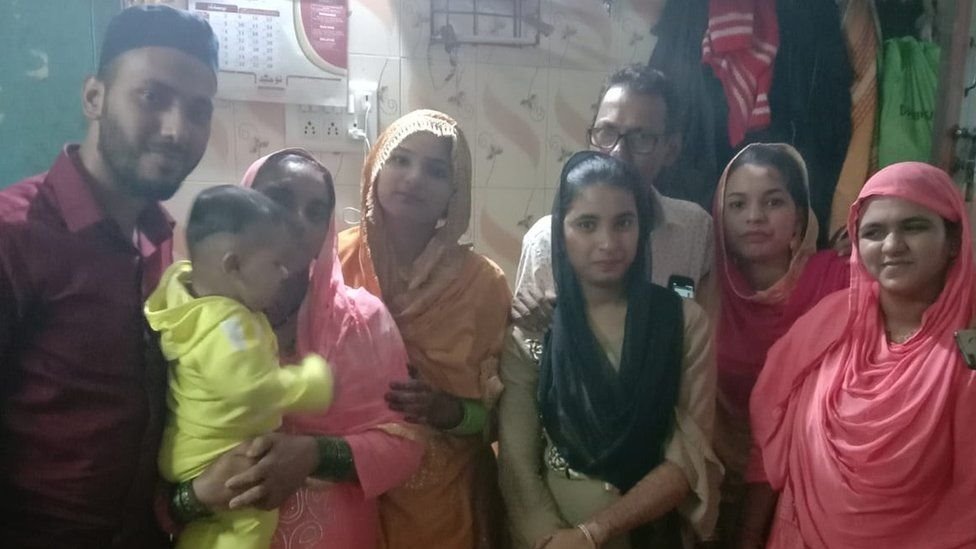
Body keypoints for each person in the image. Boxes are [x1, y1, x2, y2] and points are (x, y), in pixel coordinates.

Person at [0, 6, 219, 546]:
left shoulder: (160, 240)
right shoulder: (16, 236)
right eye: (152, 97)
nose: (176, 130)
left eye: (198, 110)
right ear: (94, 97)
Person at [742, 162, 976, 548]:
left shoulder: (967, 345)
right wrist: (748, 536)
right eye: (873, 232)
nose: (892, 245)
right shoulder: (823, 327)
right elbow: (769, 443)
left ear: (953, 240)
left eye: (914, 227)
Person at [498, 151, 721, 549]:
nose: (608, 242)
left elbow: (687, 457)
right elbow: (517, 463)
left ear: (641, 227)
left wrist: (592, 535)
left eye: (623, 223)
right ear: (561, 233)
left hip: (650, 534)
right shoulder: (537, 328)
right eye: (587, 224)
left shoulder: (682, 324)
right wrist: (549, 540)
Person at [337, 110, 512, 549]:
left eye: (436, 170)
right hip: (341, 485)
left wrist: (446, 410)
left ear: (455, 190)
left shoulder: (482, 285)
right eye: (400, 160)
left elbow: (499, 419)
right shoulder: (333, 262)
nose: (414, 178)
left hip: (439, 501)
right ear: (376, 167)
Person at [239, 148, 425, 549]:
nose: (298, 221)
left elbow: (404, 444)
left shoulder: (362, 321)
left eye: (316, 212)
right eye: (279, 199)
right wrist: (189, 499)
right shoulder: (200, 315)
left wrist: (316, 454)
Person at [146, 185, 334, 548]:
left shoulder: (196, 300)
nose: (284, 273)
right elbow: (251, 387)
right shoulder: (226, 326)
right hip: (215, 453)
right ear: (232, 265)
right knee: (250, 524)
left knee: (215, 529)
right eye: (275, 264)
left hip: (198, 446)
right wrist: (311, 383)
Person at [709, 143, 848, 544]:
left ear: (799, 218)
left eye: (773, 202)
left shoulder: (840, 282)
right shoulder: (707, 288)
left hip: (810, 483)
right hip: (718, 470)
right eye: (737, 205)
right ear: (719, 218)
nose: (754, 217)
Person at [512, 65, 714, 333]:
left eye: (641, 137)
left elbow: (705, 330)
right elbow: (528, 344)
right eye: (607, 133)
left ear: (671, 149)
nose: (618, 153)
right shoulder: (547, 239)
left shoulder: (694, 229)